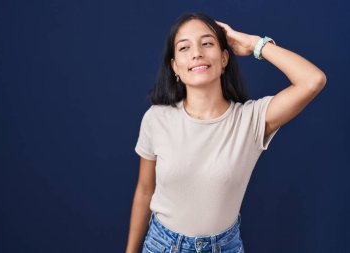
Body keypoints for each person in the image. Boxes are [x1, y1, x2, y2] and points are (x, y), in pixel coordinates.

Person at [125, 12, 326, 253]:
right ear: (175, 66)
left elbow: (312, 80)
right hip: (161, 245)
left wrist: (255, 44)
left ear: (224, 59)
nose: (197, 52)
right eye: (184, 47)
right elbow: (145, 190)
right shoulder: (156, 118)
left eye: (207, 43)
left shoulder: (251, 120)